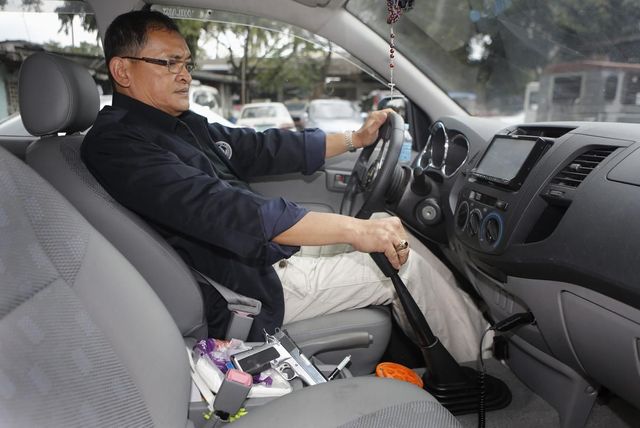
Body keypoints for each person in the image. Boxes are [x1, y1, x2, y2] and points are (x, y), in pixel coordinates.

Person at [82, 10, 489, 361]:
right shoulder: (118, 145)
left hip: (256, 256)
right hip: (243, 288)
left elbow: (259, 147)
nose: (185, 75)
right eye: (169, 63)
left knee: (389, 226)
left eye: (187, 63)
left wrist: (355, 140)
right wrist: (356, 230)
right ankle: (484, 369)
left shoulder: (179, 125)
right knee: (403, 265)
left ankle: (478, 342)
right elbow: (222, 210)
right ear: (122, 70)